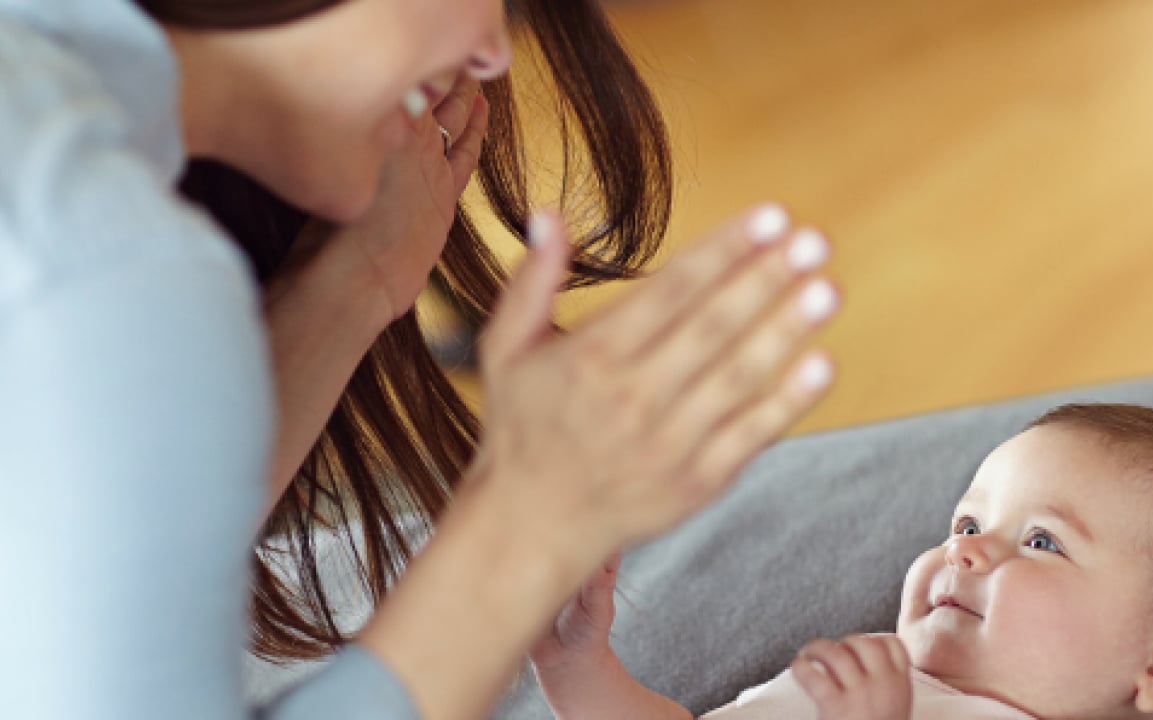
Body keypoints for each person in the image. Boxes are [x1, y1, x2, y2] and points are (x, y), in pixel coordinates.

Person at [0, 0, 842, 718]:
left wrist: (354, 282)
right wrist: (527, 520)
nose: (492, 52)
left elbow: (95, 561)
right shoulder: (105, 269)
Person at [530, 403, 1153, 719]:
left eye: (1041, 541)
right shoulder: (876, 674)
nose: (964, 548)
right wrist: (579, 668)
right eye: (969, 522)